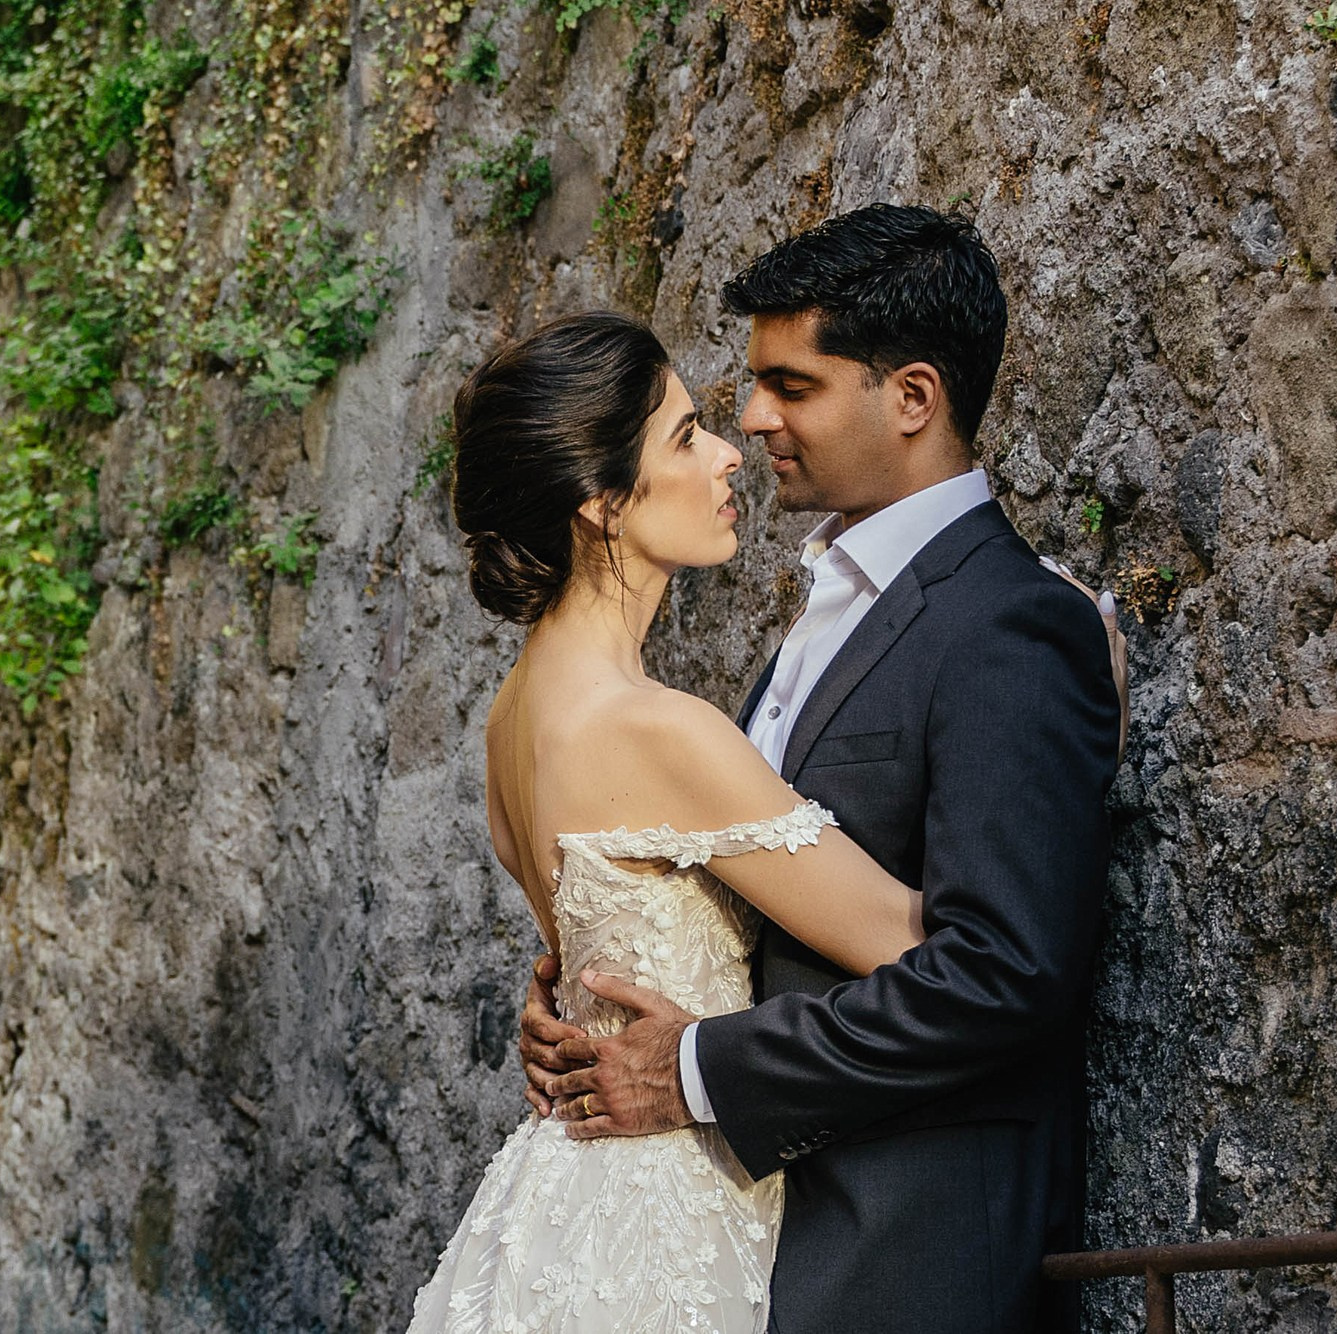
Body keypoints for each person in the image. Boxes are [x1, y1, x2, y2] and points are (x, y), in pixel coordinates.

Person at [520, 204, 1124, 1332]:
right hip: (768, 1234)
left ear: (909, 398)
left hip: (908, 1250)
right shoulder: (823, 614)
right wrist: (582, 996)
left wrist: (694, 1067)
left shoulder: (1011, 626)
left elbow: (1005, 972)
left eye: (790, 387)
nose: (751, 419)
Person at [406, 310, 936, 1333]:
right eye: (684, 435)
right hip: (661, 1212)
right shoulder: (654, 730)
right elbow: (908, 941)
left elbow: (577, 962)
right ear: (604, 502)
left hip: (557, 1201)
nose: (728, 450)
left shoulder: (509, 720)